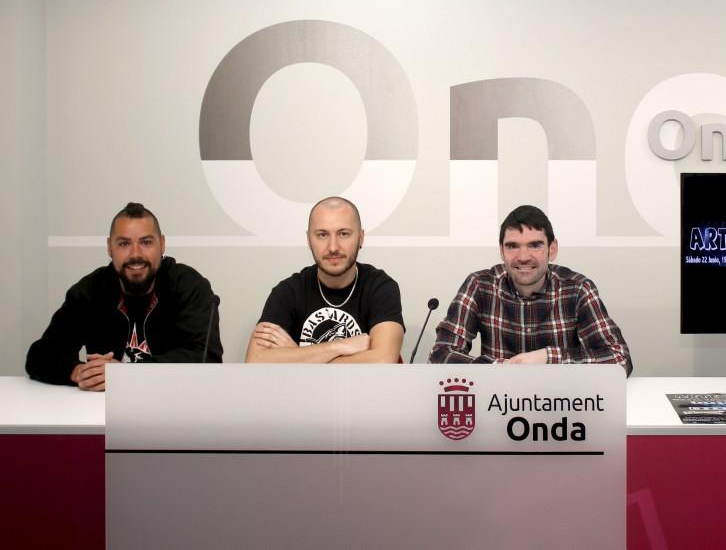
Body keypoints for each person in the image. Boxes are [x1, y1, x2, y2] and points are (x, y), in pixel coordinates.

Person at [25, 202, 223, 391]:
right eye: (124, 243)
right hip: (102, 408)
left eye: (146, 242)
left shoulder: (189, 286)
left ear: (162, 244)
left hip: (173, 404)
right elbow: (40, 355)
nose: (135, 254)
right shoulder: (90, 290)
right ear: (109, 247)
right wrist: (79, 372)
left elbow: (207, 358)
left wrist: (126, 374)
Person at [429, 205, 632, 375]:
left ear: (552, 249)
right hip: (497, 401)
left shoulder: (577, 289)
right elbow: (439, 355)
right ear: (501, 251)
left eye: (535, 245)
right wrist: (500, 369)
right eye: (513, 246)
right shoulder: (480, 285)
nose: (523, 257)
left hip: (562, 402)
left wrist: (548, 357)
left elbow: (619, 359)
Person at [246, 196, 404, 363]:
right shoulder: (288, 291)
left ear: (361, 237)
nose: (333, 247)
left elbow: (383, 360)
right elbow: (255, 360)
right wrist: (339, 346)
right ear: (309, 240)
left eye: (343, 234)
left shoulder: (380, 287)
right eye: (322, 235)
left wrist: (297, 355)